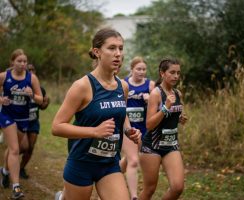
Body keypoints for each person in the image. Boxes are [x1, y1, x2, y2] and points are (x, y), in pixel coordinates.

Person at [52, 28, 141, 200]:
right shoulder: (82, 86)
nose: (118, 54)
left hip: (109, 163)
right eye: (112, 48)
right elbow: (56, 127)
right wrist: (94, 131)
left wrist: (129, 130)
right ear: (97, 52)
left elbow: (120, 114)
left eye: (121, 48)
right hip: (82, 163)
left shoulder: (123, 86)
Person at [139, 58, 188, 200]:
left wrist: (180, 118)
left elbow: (173, 115)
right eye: (172, 72)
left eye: (178, 73)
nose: (176, 76)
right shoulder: (156, 93)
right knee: (149, 189)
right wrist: (166, 107)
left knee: (178, 187)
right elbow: (149, 124)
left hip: (171, 144)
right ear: (162, 73)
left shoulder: (178, 93)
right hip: (152, 146)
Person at [0, 49, 43, 199]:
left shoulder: (32, 79)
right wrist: (1, 100)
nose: (23, 64)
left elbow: (40, 100)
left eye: (25, 61)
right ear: (12, 62)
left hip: (23, 118)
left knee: (13, 149)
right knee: (14, 149)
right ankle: (16, 188)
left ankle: (5, 171)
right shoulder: (4, 77)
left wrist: (32, 94)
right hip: (7, 116)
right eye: (19, 61)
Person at [119, 56, 155, 200]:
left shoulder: (150, 85)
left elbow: (159, 105)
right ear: (132, 69)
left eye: (144, 69)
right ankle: (134, 196)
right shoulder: (124, 83)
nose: (141, 72)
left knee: (128, 160)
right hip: (127, 128)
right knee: (134, 160)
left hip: (143, 130)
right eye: (138, 69)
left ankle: (110, 174)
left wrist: (150, 99)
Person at [19, 64, 50, 179]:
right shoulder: (20, 87)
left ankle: (21, 168)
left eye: (33, 70)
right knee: (23, 147)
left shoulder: (40, 89)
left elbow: (42, 106)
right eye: (29, 70)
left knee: (30, 147)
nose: (31, 72)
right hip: (21, 121)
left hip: (33, 122)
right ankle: (9, 163)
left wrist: (46, 103)